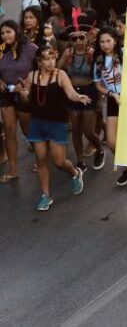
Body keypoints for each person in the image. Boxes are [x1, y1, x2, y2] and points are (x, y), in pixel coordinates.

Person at [18, 43, 91, 211]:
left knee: (58, 161)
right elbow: (25, 98)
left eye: (53, 58)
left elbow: (70, 93)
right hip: (37, 122)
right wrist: (23, 95)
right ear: (38, 61)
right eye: (46, 59)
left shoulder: (60, 75)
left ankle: (75, 173)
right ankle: (45, 195)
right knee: (41, 159)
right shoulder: (32, 76)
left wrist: (78, 97)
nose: (51, 62)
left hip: (57, 122)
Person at [92, 27, 127, 190]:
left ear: (115, 40)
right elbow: (98, 84)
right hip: (113, 99)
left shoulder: (124, 52)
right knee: (112, 141)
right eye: (102, 41)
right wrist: (110, 93)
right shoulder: (98, 60)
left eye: (109, 40)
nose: (106, 44)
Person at [58, 12, 103, 172]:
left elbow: (102, 77)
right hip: (73, 93)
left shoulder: (94, 54)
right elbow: (57, 71)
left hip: (90, 92)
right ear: (70, 40)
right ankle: (80, 161)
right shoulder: (68, 54)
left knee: (88, 130)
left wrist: (101, 99)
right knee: (76, 129)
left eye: (81, 37)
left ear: (87, 37)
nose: (78, 41)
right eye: (74, 38)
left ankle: (100, 150)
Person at [0, 20, 37, 183]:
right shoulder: (1, 50)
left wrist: (25, 86)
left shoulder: (30, 49)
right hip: (6, 95)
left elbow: (39, 69)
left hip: (24, 94)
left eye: (8, 32)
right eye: (2, 33)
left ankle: (40, 159)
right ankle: (13, 170)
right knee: (9, 130)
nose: (5, 36)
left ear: (16, 31)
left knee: (27, 129)